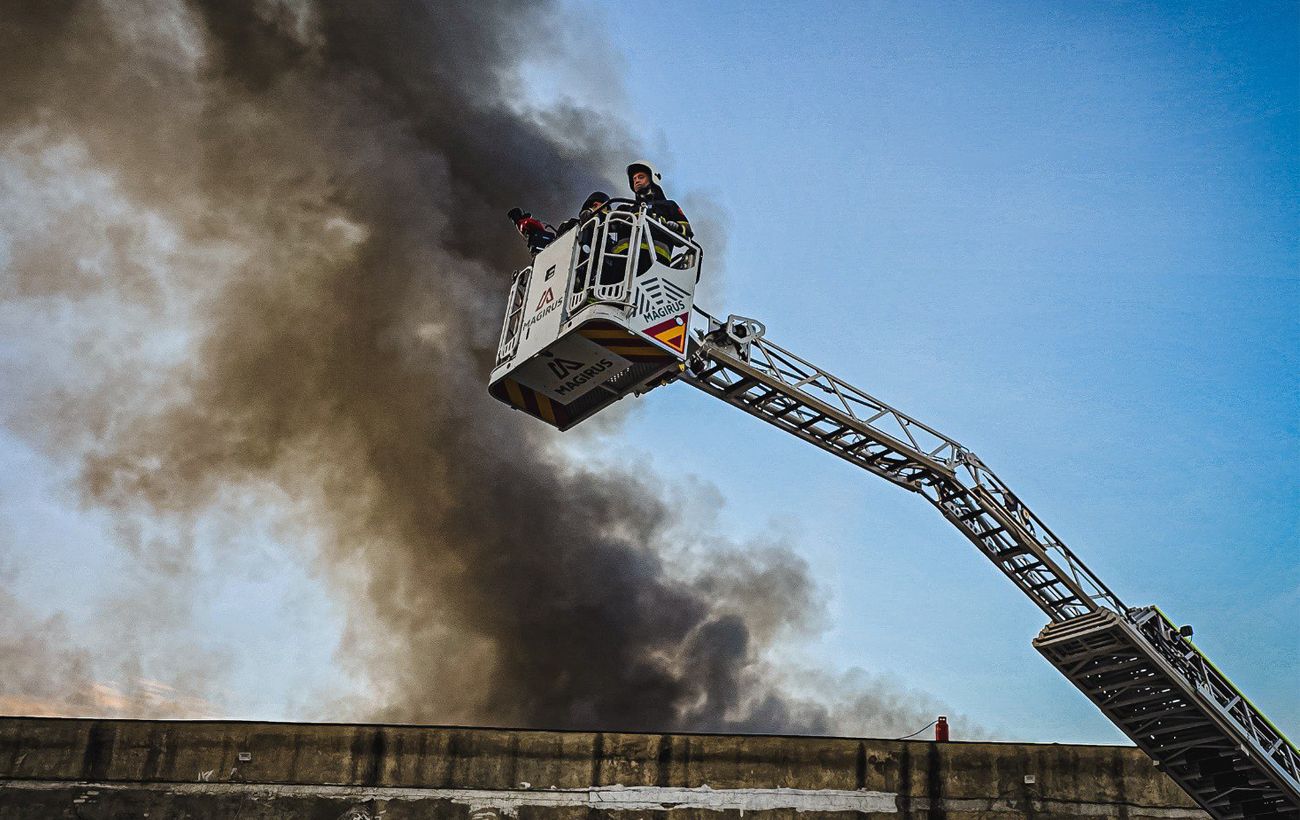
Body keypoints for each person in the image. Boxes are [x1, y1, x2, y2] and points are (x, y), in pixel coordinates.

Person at [626, 161, 691, 238]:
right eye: (634, 179)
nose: (636, 181)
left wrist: (677, 227)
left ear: (652, 178)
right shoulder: (628, 209)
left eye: (641, 177)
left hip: (657, 245)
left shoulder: (669, 205)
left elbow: (688, 232)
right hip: (628, 245)